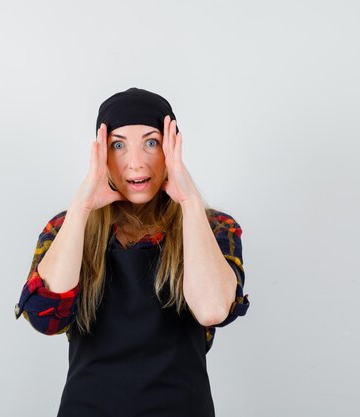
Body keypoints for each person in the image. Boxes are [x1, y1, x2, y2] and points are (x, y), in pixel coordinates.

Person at [14, 87, 250, 417]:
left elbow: (212, 309)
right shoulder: (66, 227)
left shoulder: (215, 228)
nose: (136, 162)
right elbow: (46, 317)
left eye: (152, 142)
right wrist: (82, 208)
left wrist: (190, 203)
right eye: (118, 145)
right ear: (101, 154)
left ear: (172, 150)